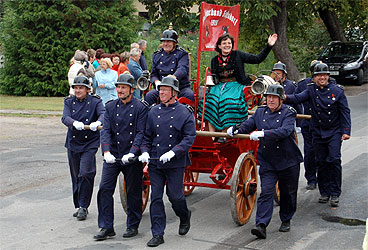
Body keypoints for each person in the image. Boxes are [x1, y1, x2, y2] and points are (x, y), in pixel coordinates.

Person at [227, 84, 303, 239]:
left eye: (274, 98)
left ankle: (286, 219)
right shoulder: (260, 112)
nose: (271, 100)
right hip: (268, 161)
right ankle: (261, 225)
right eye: (269, 97)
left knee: (288, 193)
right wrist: (235, 129)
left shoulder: (288, 113)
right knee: (266, 192)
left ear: (281, 100)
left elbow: (286, 131)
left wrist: (263, 133)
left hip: (288, 161)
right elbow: (248, 125)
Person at [138, 76, 196, 247]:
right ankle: (158, 233)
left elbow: (189, 137)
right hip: (156, 161)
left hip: (175, 162)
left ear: (174, 93)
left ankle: (184, 216)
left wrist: (173, 152)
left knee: (175, 196)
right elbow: (147, 136)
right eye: (160, 89)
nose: (161, 92)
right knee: (155, 197)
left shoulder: (185, 112)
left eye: (165, 90)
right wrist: (145, 152)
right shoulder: (153, 111)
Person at [284, 63, 351, 207]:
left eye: (324, 75)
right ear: (314, 78)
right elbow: (297, 98)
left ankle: (334, 193)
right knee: (320, 161)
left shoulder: (337, 91)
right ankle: (324, 192)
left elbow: (345, 112)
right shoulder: (310, 90)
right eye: (318, 75)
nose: (322, 77)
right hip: (318, 131)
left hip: (334, 131)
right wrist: (281, 97)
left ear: (328, 76)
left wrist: (346, 131)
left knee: (333, 159)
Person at [93, 74, 149, 241]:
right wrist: (106, 152)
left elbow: (141, 132)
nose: (119, 90)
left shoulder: (140, 108)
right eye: (118, 87)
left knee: (133, 191)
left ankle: (132, 225)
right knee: (104, 189)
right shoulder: (110, 107)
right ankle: (106, 226)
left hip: (131, 156)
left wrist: (133, 152)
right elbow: (106, 131)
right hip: (114, 155)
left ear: (131, 90)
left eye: (123, 87)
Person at [198, 33, 278, 140]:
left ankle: (224, 133)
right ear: (219, 46)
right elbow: (214, 77)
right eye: (224, 43)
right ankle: (212, 136)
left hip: (236, 85)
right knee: (210, 102)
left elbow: (257, 59)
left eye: (229, 43)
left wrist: (269, 46)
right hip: (220, 86)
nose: (227, 45)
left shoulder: (238, 55)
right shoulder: (214, 60)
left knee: (228, 102)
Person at [61, 76, 105, 221]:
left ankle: (83, 206)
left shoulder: (95, 101)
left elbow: (104, 114)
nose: (78, 90)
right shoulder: (69, 101)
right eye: (76, 88)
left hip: (90, 142)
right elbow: (65, 117)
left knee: (85, 173)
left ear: (88, 89)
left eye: (81, 88)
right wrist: (73, 123)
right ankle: (80, 204)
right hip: (74, 142)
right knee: (76, 176)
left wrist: (98, 122)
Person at [144, 27, 194, 105]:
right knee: (149, 96)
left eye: (169, 41)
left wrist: (173, 77)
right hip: (162, 87)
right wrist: (157, 82)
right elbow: (153, 74)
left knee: (189, 95)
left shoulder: (182, 54)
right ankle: (150, 116)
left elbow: (182, 69)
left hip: (180, 87)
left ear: (175, 43)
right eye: (164, 41)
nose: (166, 44)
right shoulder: (157, 55)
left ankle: (186, 116)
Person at [271, 61, 303, 129]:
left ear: (284, 74)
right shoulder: (271, 85)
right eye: (274, 73)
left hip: (286, 117)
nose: (276, 75)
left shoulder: (290, 85)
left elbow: (297, 104)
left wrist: (299, 124)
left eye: (278, 73)